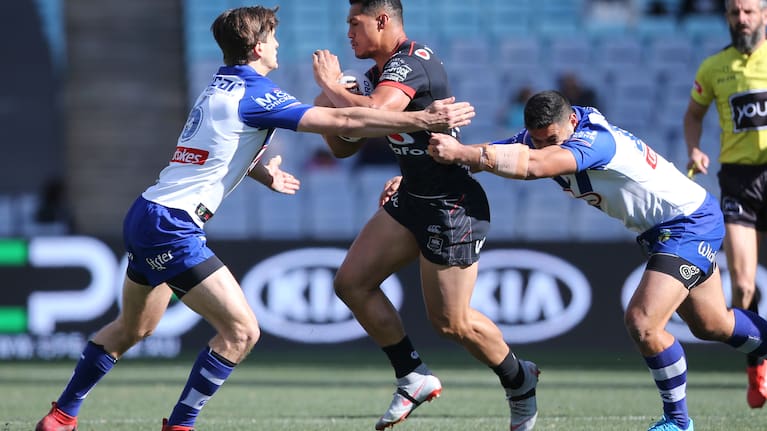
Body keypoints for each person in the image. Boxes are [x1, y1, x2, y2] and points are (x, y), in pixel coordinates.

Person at [34, 6, 475, 431]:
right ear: (258, 46)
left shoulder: (221, 84)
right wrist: (424, 118)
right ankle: (181, 426)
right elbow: (343, 118)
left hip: (148, 212)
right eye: (273, 37)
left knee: (134, 327)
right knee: (241, 332)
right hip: (172, 224)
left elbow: (219, 144)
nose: (279, 44)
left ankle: (61, 417)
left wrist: (264, 172)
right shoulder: (256, 93)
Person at [424, 90, 767, 431]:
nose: (544, 146)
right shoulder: (546, 135)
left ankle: (678, 422)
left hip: (688, 225)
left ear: (571, 121)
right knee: (712, 324)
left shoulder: (596, 141)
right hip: (668, 227)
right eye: (537, 140)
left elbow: (533, 165)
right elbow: (495, 154)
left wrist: (462, 152)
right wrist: (425, 180)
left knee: (643, 323)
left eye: (552, 140)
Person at [311, 1, 540, 430]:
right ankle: (412, 376)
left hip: (451, 206)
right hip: (413, 195)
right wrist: (331, 102)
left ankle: (519, 379)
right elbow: (343, 146)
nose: (348, 34)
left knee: (451, 322)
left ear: (382, 21)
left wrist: (334, 91)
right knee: (351, 284)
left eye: (354, 23)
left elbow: (378, 113)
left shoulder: (411, 62)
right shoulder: (378, 75)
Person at [683, 0, 767, 409]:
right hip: (738, 179)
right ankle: (757, 363)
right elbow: (693, 114)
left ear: (764, 14)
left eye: (749, 12)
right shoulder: (713, 67)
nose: (742, 19)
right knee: (744, 282)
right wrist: (695, 148)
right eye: (735, 13)